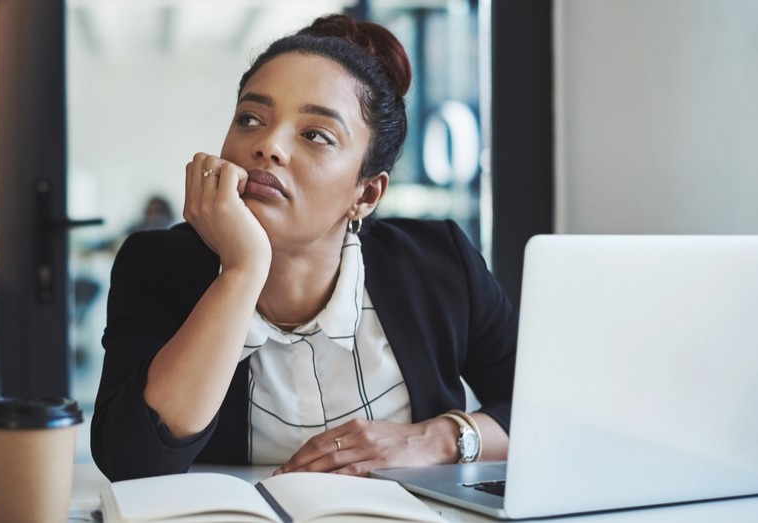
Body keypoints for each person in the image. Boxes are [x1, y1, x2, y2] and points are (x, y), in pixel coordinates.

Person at [91, 13, 517, 481]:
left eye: (316, 134)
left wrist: (438, 439)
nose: (268, 145)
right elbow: (131, 462)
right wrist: (242, 269)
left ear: (367, 194)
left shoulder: (440, 262)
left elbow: (548, 414)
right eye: (250, 119)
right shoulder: (157, 265)